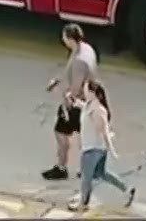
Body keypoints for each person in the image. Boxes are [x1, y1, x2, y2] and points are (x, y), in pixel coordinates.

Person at [43, 23, 99, 181]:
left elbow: (76, 87)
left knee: (61, 133)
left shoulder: (79, 61)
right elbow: (72, 72)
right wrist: (58, 80)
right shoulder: (86, 49)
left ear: (69, 38)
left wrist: (67, 102)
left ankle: (62, 168)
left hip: (76, 105)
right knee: (84, 136)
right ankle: (85, 168)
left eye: (64, 37)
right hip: (89, 100)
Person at [75, 82, 135, 212]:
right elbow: (83, 106)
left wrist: (112, 149)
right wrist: (75, 101)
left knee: (86, 178)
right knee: (102, 173)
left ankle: (83, 203)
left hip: (92, 149)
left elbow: (103, 131)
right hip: (97, 149)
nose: (83, 92)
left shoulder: (98, 110)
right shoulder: (90, 106)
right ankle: (127, 189)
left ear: (92, 93)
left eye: (85, 90)